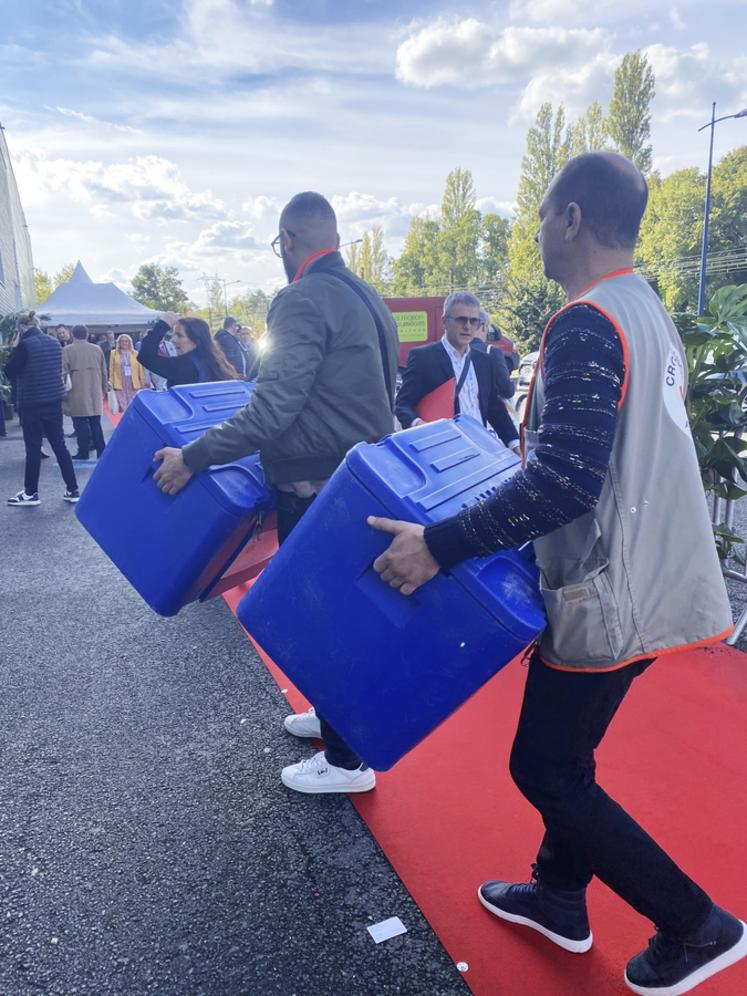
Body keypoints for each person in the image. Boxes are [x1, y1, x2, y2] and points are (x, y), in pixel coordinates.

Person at [367, 153, 746, 996]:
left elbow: (567, 477)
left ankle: (692, 923)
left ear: (570, 218)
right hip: (652, 579)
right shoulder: (644, 308)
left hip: (609, 587)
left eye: (540, 215)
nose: (535, 232)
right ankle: (558, 895)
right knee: (569, 756)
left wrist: (440, 543)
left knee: (543, 768)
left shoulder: (585, 320)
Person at [152, 191, 398, 795]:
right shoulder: (366, 296)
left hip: (315, 487)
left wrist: (193, 456)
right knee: (335, 613)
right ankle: (334, 720)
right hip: (355, 480)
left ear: (289, 240)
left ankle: (345, 761)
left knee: (320, 618)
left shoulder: (302, 297)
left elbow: (272, 409)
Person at [395, 292, 520, 453]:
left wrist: (515, 443)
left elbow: (494, 409)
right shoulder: (423, 358)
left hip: (480, 449)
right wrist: (420, 425)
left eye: (473, 321)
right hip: (443, 450)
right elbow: (403, 405)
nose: (467, 326)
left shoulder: (484, 361)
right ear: (444, 322)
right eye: (461, 319)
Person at [4, 311, 79, 506]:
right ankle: (72, 489)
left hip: (32, 403)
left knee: (33, 448)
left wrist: (14, 348)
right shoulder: (54, 343)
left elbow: (10, 371)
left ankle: (31, 493)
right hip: (53, 401)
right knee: (59, 445)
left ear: (21, 328)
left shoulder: (24, 346)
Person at [137, 316, 239, 388]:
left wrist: (163, 325)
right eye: (173, 335)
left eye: (179, 336)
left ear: (196, 341)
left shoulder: (185, 366)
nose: (173, 340)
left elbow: (145, 356)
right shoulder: (213, 361)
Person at [63, 324, 108, 461]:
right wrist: (104, 388)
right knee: (96, 422)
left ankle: (83, 451)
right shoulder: (96, 349)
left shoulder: (67, 350)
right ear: (87, 334)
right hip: (94, 389)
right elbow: (104, 371)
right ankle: (101, 450)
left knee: (79, 423)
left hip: (76, 390)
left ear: (73, 334)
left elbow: (63, 372)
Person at [471, 310, 515, 400]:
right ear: (483, 327)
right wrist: (513, 385)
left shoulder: (458, 351)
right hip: (488, 411)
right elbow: (506, 390)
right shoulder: (492, 352)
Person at [108, 334, 147, 411]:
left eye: (126, 341)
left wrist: (142, 381)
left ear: (129, 342)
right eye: (122, 341)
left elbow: (140, 368)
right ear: (119, 342)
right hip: (120, 381)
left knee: (132, 403)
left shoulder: (135, 353)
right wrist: (111, 381)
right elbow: (111, 368)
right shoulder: (113, 353)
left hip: (133, 382)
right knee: (123, 404)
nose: (124, 343)